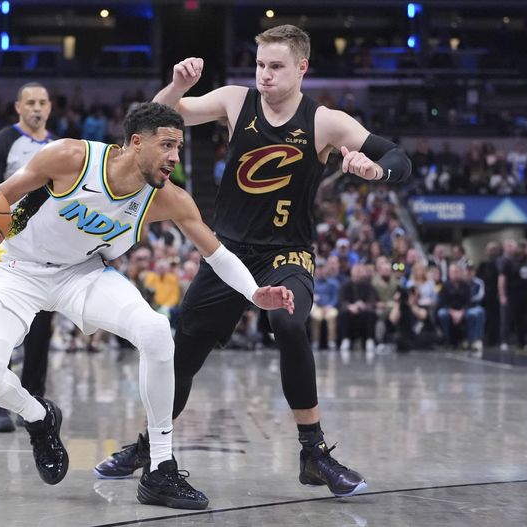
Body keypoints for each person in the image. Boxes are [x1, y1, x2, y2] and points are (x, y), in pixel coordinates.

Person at [95, 24, 411, 498]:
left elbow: (398, 157)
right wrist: (178, 86)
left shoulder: (326, 122)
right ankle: (149, 447)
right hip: (227, 252)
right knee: (184, 351)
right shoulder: (234, 101)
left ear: (302, 68)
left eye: (276, 66)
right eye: (260, 64)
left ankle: (314, 453)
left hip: (287, 253)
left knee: (288, 323)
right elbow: (153, 122)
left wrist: (376, 169)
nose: (264, 74)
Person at [0, 102, 293, 509]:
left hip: (80, 275)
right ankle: (39, 417)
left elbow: (217, 253)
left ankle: (160, 467)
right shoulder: (70, 157)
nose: (175, 157)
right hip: (17, 268)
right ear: (136, 143)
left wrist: (253, 293)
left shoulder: (168, 199)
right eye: (167, 145)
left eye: (179, 147)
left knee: (155, 330)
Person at [0, 82, 56, 432]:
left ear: (49, 107)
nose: (37, 108)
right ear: (18, 107)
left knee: (40, 332)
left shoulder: (58, 146)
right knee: (2, 328)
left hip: (48, 251)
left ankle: (33, 403)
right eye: (30, 102)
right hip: (7, 247)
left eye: (42, 102)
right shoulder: (2, 142)